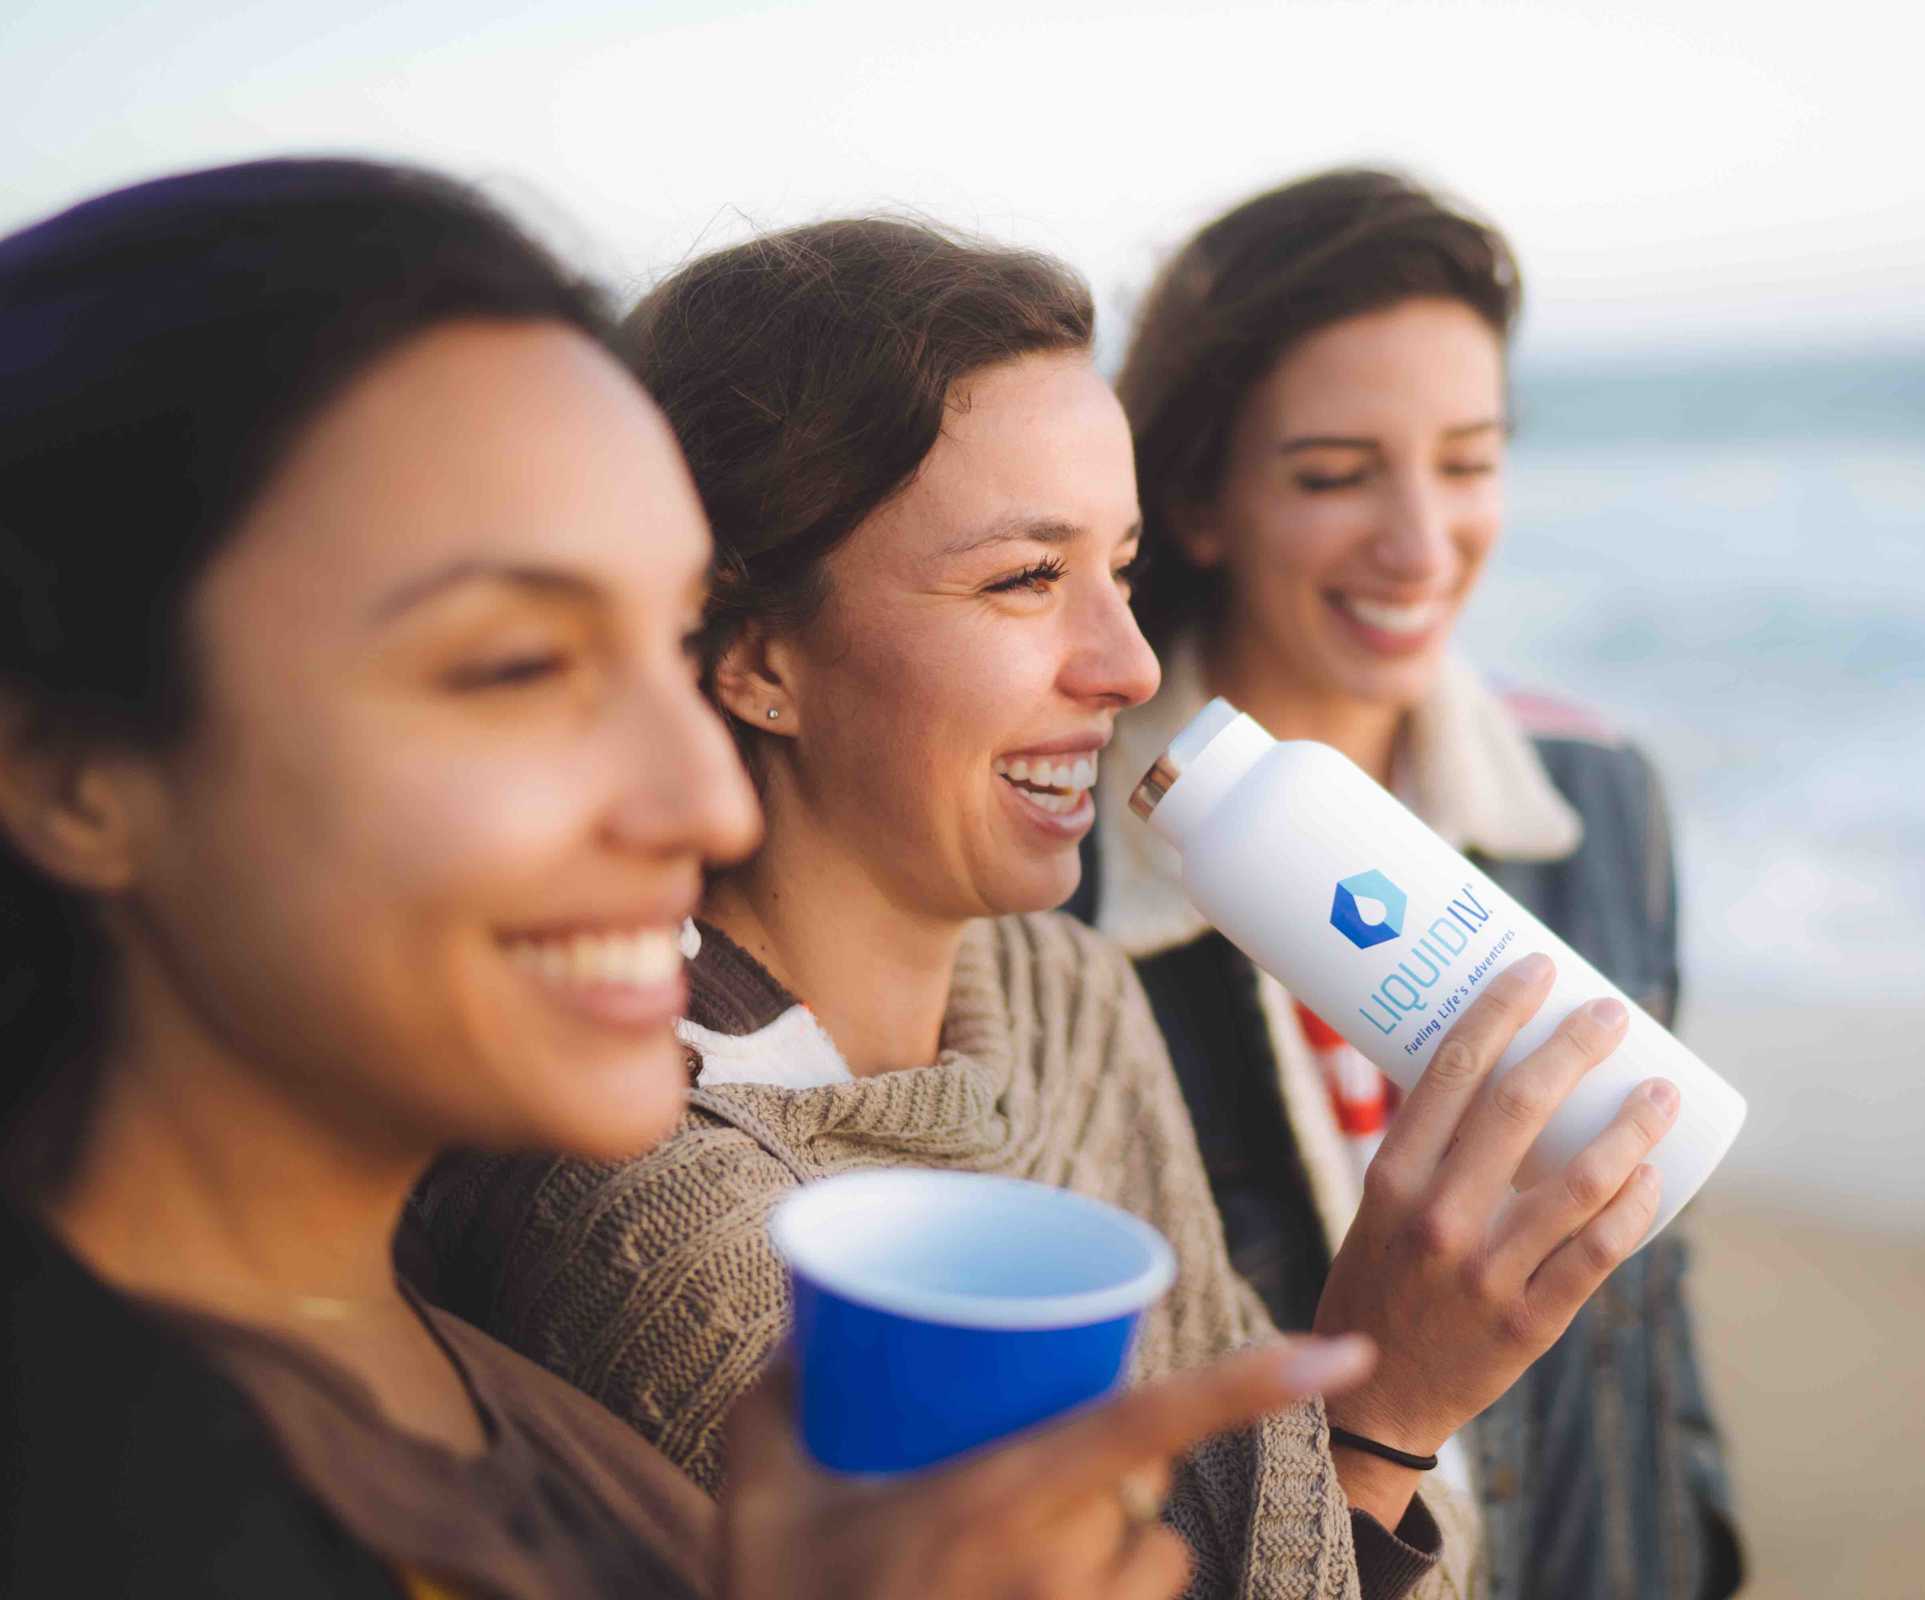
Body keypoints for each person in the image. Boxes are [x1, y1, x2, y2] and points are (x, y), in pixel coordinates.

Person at [0, 158, 1372, 1600]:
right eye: (519, 665)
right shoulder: (114, 1505)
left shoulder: (445, 1401)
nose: (704, 794)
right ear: (70, 768)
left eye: (664, 644)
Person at [413, 216, 1680, 1600]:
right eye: (1027, 580)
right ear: (756, 656)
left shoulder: (1063, 997)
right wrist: (1383, 1422)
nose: (1131, 666)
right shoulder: (641, 1191)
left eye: (1122, 572)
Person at [1069, 168, 1746, 1598]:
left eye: (1468, 459)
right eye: (1332, 474)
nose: (1422, 544)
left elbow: (1650, 1313)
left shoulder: (1593, 801)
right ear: (1195, 500)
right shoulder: (1056, 883)